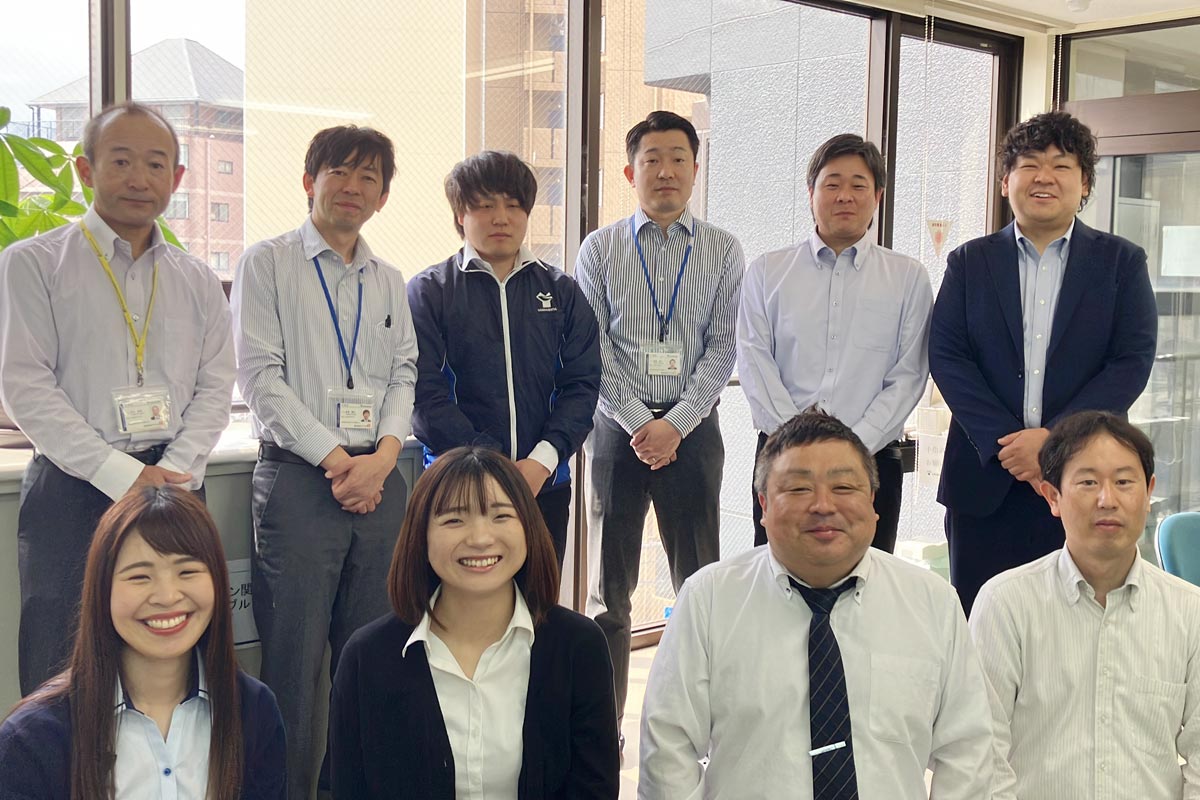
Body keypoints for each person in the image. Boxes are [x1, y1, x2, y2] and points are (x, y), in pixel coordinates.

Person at [0, 101, 236, 696]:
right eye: (121, 161)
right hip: (75, 485)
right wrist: (123, 476)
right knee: (61, 664)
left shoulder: (197, 279)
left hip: (176, 484)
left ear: (177, 178)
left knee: (174, 655)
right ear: (86, 170)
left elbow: (216, 385)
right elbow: (26, 385)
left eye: (156, 164)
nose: (139, 178)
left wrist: (171, 472)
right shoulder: (33, 264)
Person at [639, 409, 996, 799]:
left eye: (843, 487)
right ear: (763, 505)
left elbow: (968, 751)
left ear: (872, 501)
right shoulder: (708, 599)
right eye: (798, 489)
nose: (823, 505)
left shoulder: (932, 602)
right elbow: (668, 750)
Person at [230, 125, 418, 800]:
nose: (353, 187)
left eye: (370, 178)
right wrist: (340, 460)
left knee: (371, 657)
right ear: (310, 181)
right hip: (300, 479)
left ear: (383, 197)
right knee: (294, 664)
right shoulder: (267, 263)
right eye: (340, 172)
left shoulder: (388, 280)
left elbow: (404, 374)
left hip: (381, 482)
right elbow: (260, 378)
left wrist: (384, 457)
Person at [929, 110, 1157, 616]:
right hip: (986, 479)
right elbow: (947, 356)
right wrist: (1005, 443)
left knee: (1079, 622)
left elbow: (1131, 361)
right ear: (1005, 181)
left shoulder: (1121, 263)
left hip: (1082, 478)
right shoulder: (969, 262)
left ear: (1085, 183)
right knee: (980, 621)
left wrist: (1054, 441)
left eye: (1061, 165)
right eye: (1029, 164)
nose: (1044, 177)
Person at [575, 110, 744, 739]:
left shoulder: (723, 249)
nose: (666, 170)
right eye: (652, 159)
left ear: (696, 169)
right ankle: (604, 730)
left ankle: (696, 727)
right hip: (615, 435)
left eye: (678, 158)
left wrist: (675, 424)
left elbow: (725, 347)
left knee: (699, 589)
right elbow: (592, 348)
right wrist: (638, 422)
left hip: (693, 435)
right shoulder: (600, 249)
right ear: (630, 172)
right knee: (606, 593)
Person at [330, 446, 619, 799]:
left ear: (528, 527)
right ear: (421, 535)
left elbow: (595, 788)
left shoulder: (579, 646)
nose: (480, 539)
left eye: (501, 516)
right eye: (454, 520)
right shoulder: (368, 657)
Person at [0, 485, 286, 799]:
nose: (167, 596)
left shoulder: (254, 711)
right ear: (102, 590)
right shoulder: (32, 739)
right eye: (139, 577)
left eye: (187, 571)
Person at [971, 411, 1200, 799]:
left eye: (1124, 482)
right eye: (1088, 482)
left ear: (1148, 493)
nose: (1107, 499)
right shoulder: (1006, 604)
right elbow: (980, 754)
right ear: (1053, 497)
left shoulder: (1189, 612)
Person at [737, 133, 931, 553]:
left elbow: (908, 376)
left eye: (858, 185)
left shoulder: (908, 277)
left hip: (872, 460)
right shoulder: (767, 272)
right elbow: (754, 362)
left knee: (867, 576)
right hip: (780, 457)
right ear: (811, 194)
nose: (845, 196)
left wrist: (850, 450)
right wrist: (796, 444)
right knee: (777, 571)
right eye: (832, 184)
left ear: (877, 196)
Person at [408, 151, 600, 568]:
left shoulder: (563, 291)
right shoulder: (429, 291)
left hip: (543, 484)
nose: (501, 217)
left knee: (538, 600)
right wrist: (492, 464)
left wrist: (541, 462)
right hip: (457, 485)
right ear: (460, 215)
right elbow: (423, 394)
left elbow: (581, 386)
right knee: (459, 599)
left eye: (513, 205)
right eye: (484, 205)